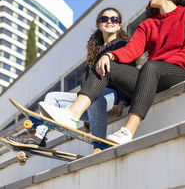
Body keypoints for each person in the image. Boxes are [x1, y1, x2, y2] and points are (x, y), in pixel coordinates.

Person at [34, 0, 185, 145]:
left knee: (151, 67)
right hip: (151, 77)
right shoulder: (148, 24)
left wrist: (159, 64)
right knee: (106, 66)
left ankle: (128, 131)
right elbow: (132, 49)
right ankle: (73, 114)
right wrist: (109, 55)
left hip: (181, 72)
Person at [9, 8, 132, 149]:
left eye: (114, 19)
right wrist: (86, 111)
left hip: (112, 97)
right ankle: (39, 136)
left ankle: (100, 143)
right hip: (91, 102)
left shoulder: (122, 46)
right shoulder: (94, 53)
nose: (109, 21)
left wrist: (122, 102)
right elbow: (87, 84)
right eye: (105, 19)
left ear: (119, 25)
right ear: (99, 24)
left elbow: (129, 74)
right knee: (52, 97)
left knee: (95, 97)